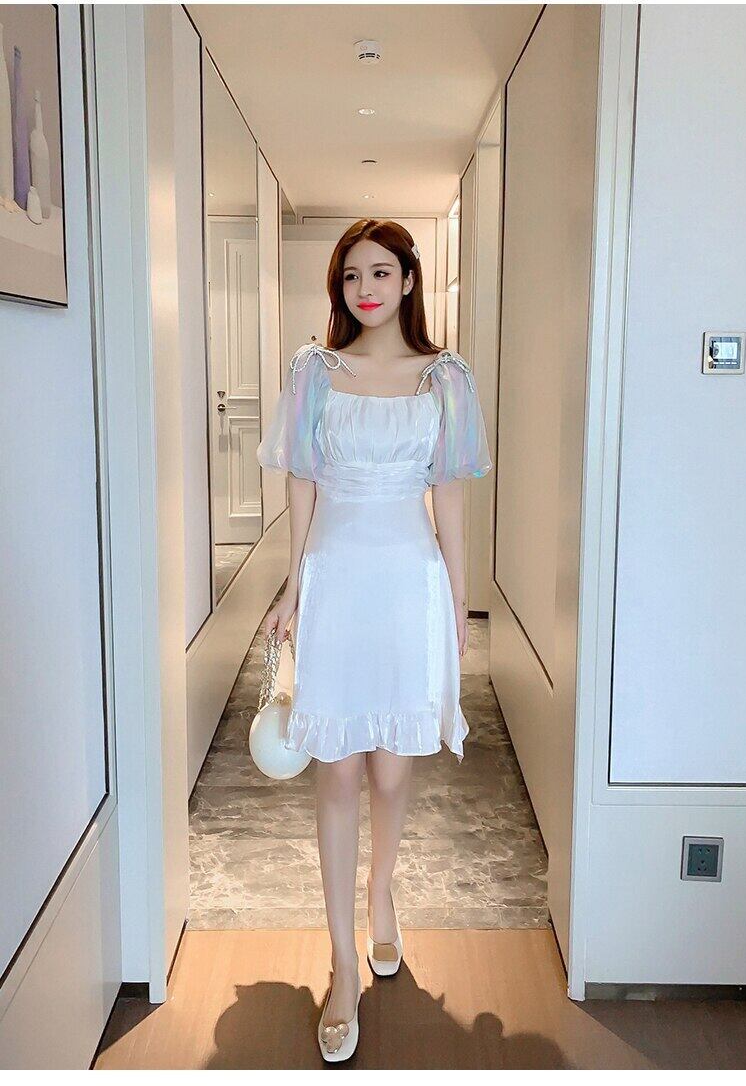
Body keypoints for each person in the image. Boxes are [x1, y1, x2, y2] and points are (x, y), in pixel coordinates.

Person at [256, 218, 492, 1061]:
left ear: (408, 281)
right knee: (337, 774)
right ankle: (341, 967)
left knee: (392, 772)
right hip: (336, 581)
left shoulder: (444, 377)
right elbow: (302, 482)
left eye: (381, 272)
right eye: (352, 274)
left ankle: (381, 893)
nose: (366, 288)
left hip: (408, 586)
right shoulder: (315, 372)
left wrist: (458, 606)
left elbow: (450, 498)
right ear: (340, 286)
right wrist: (291, 585)